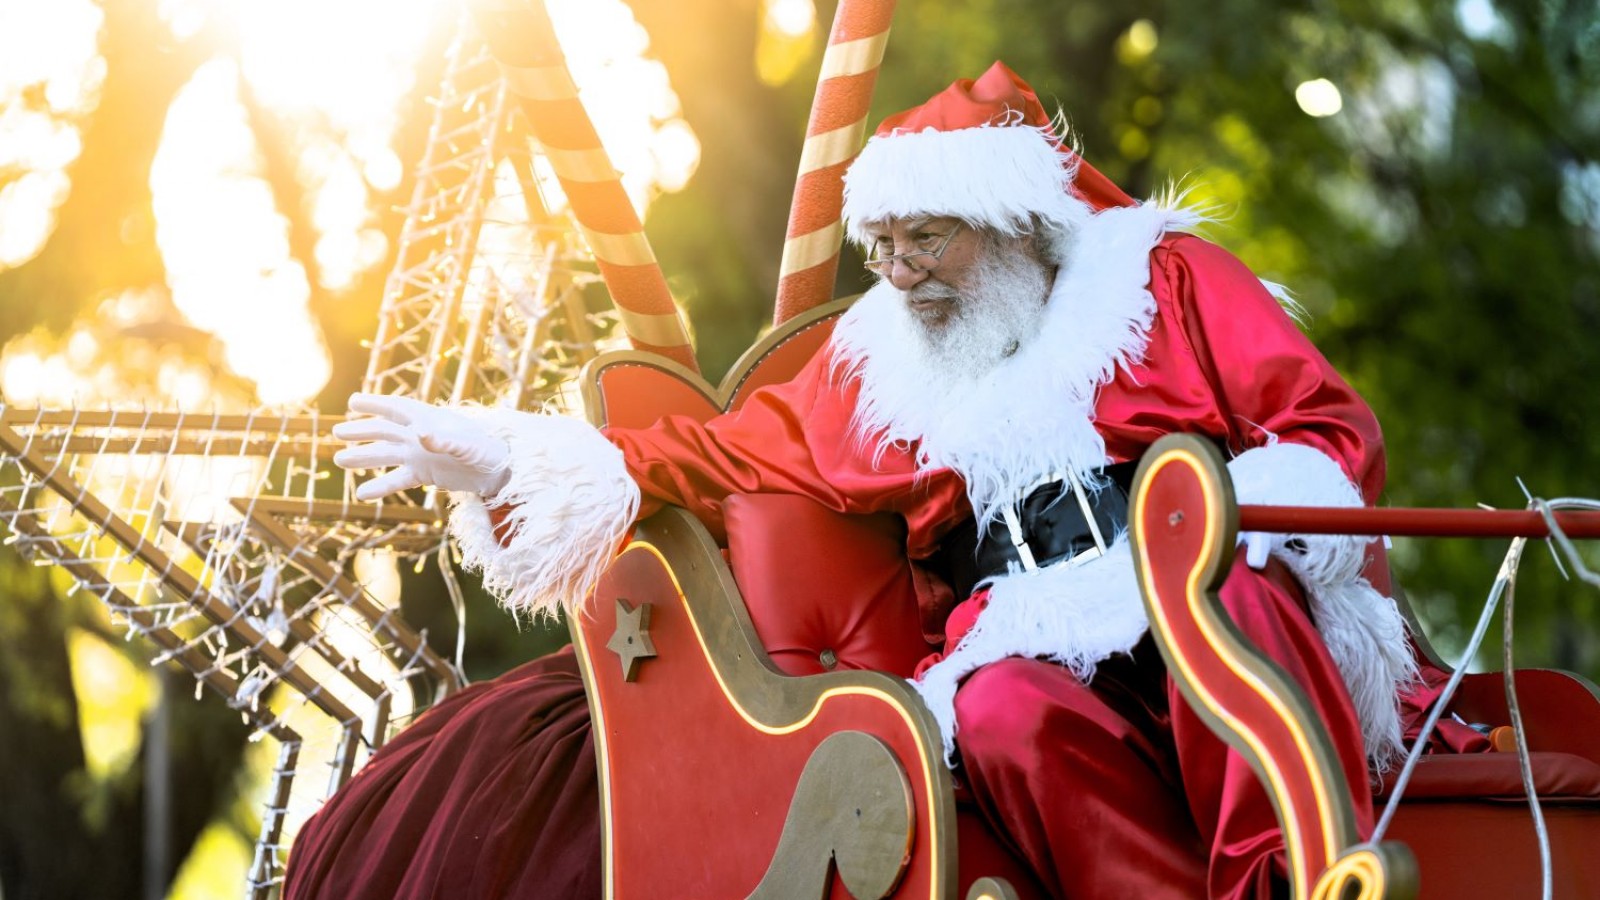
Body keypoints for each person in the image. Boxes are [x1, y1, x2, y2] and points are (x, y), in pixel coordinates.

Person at [290, 62, 1464, 899]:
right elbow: (711, 453)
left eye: (927, 240)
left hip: (1201, 568)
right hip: (1033, 630)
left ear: (1010, 222)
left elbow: (1322, 425)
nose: (898, 275)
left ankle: (1292, 879)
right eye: (883, 248)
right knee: (997, 709)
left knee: (1232, 597)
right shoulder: (882, 371)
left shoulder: (1163, 281)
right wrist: (499, 454)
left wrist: (1240, 524)